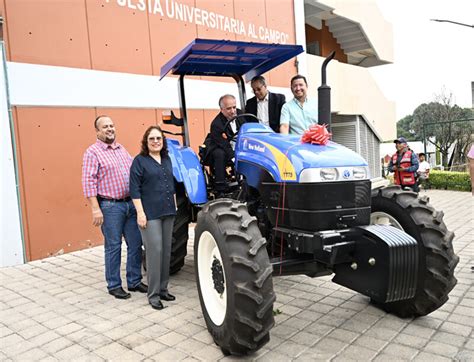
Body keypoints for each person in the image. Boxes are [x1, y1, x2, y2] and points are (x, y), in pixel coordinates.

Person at [82, 115, 146, 299]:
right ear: (97, 131)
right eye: (105, 127)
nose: (109, 129)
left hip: (129, 204)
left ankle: (134, 281)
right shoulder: (92, 152)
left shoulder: (120, 148)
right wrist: (95, 208)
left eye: (111, 126)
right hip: (110, 207)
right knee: (113, 246)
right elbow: (88, 182)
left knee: (135, 244)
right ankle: (114, 285)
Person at [129, 126, 177, 310]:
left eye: (159, 138)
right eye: (152, 139)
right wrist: (140, 213)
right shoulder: (139, 161)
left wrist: (175, 204)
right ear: (146, 142)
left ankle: (164, 289)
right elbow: (135, 190)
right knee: (154, 251)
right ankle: (154, 294)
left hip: (168, 212)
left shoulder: (167, 159)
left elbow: (171, 185)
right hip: (149, 214)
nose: (156, 141)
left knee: (166, 251)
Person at [204, 94, 244, 195]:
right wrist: (235, 159)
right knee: (219, 154)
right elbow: (224, 145)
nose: (233, 111)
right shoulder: (216, 124)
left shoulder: (241, 114)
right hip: (220, 146)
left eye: (234, 107)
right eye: (229, 108)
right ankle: (220, 187)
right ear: (222, 109)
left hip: (237, 144)